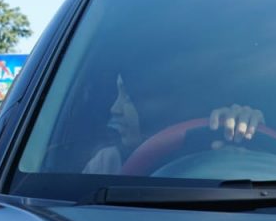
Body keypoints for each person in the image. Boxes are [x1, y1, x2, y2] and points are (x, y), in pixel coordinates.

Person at [84, 73, 265, 175]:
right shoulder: (107, 165)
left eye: (129, 97)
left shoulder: (224, 151)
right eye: (118, 95)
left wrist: (248, 135)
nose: (114, 109)